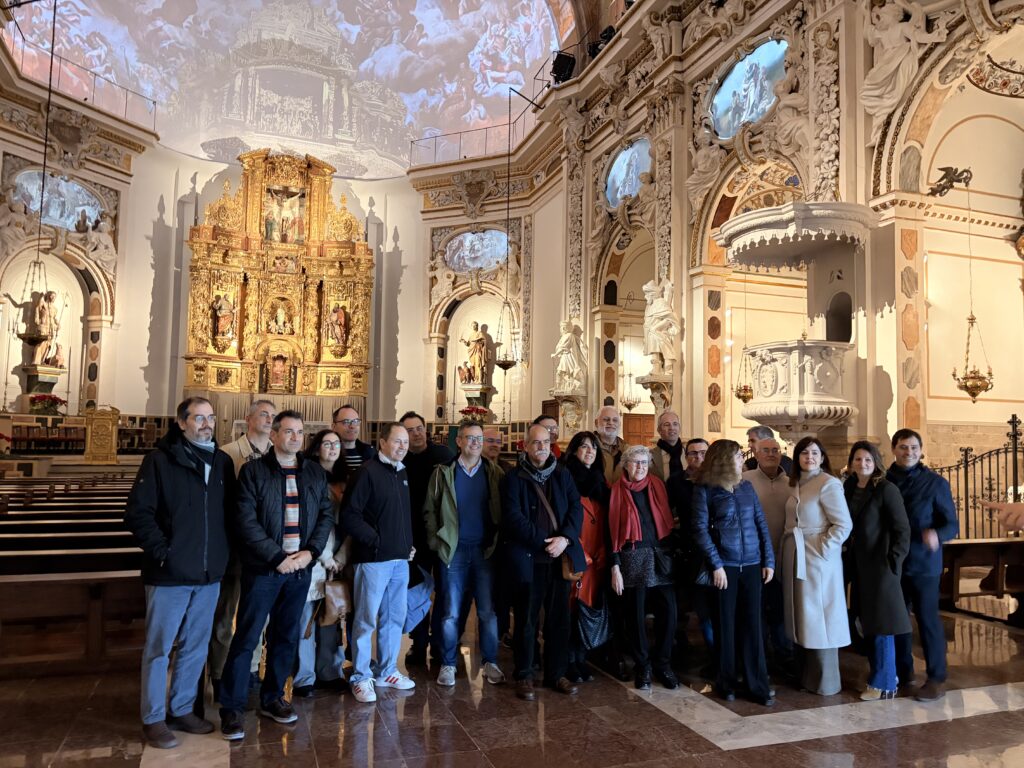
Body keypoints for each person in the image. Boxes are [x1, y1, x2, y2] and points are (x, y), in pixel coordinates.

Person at [125, 397, 234, 749]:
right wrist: (163, 553)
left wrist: (221, 556)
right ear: (181, 422)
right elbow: (139, 513)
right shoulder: (159, 460)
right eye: (198, 418)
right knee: (159, 649)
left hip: (208, 573)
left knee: (196, 646)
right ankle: (154, 717)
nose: (206, 424)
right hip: (169, 573)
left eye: (210, 418)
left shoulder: (221, 462)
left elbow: (228, 515)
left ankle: (183, 708)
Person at [218, 411, 335, 740]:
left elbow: (324, 515)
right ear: (274, 436)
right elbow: (245, 520)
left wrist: (310, 552)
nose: (296, 437)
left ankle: (272, 698)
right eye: (288, 431)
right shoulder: (254, 472)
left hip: (299, 570)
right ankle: (232, 707)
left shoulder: (312, 472)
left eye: (300, 432)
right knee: (247, 637)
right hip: (265, 570)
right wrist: (276, 557)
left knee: (286, 637)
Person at [502, 424, 586, 700]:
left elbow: (576, 509)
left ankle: (556, 673)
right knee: (526, 620)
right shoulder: (514, 478)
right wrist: (543, 542)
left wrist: (565, 539)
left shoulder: (563, 475)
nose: (541, 448)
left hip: (559, 558)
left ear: (551, 446)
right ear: (525, 446)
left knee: (558, 620)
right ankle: (525, 674)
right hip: (529, 559)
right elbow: (513, 517)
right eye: (535, 443)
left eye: (545, 443)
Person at [692, 440, 775, 705]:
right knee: (725, 626)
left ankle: (757, 685)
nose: (743, 459)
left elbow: (760, 524)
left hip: (752, 565)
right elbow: (700, 530)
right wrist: (716, 564)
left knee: (753, 627)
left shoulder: (747, 487)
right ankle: (726, 682)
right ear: (725, 460)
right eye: (739, 456)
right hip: (724, 568)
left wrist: (768, 560)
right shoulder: (705, 490)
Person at [424, 419, 505, 687]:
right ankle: (447, 664)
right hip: (454, 551)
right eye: (470, 438)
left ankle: (490, 662)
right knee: (450, 611)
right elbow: (430, 511)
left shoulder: (494, 473)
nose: (475, 443)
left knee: (487, 611)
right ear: (458, 441)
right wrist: (437, 542)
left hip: (484, 551)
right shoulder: (443, 472)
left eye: (479, 439)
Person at [340, 422, 417, 703]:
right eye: (397, 441)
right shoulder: (367, 472)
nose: (402, 447)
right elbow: (350, 515)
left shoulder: (402, 473)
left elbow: (400, 516)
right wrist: (377, 541)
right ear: (382, 442)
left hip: (399, 561)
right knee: (365, 620)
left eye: (405, 443)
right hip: (372, 561)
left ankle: (387, 670)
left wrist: (406, 543)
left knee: (394, 618)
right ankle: (361, 676)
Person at [211, 400, 276, 701]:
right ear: (248, 418)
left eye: (273, 415)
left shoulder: (278, 455)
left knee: (257, 616)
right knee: (227, 614)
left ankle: (250, 673)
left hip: (265, 551)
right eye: (263, 413)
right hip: (235, 549)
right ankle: (221, 675)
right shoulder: (227, 453)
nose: (269, 419)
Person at [887, 428, 958, 701]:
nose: (909, 452)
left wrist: (936, 534)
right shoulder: (884, 480)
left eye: (914, 447)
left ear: (921, 450)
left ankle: (936, 678)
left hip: (924, 563)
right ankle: (904, 673)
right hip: (893, 562)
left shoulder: (935, 483)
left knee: (928, 621)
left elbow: (952, 524)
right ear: (894, 449)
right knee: (898, 621)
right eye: (904, 447)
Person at [781, 436, 852, 696]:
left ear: (822, 457)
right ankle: (807, 676)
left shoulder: (829, 484)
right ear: (797, 457)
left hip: (818, 561)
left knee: (821, 617)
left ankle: (826, 681)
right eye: (804, 453)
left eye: (814, 453)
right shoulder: (796, 483)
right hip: (797, 557)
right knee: (803, 616)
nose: (809, 457)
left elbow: (843, 524)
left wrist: (822, 549)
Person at [843, 441, 911, 701]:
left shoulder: (886, 489)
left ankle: (884, 684)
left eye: (868, 460)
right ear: (851, 463)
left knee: (882, 624)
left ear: (876, 462)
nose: (863, 465)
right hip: (858, 566)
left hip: (881, 567)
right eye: (858, 460)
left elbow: (902, 530)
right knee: (866, 623)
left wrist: (894, 562)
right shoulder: (848, 487)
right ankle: (885, 674)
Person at [609, 445, 678, 690]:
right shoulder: (616, 491)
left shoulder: (658, 486)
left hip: (661, 557)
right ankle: (643, 666)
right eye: (635, 462)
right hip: (632, 559)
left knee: (669, 614)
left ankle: (663, 663)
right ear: (625, 465)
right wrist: (614, 566)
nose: (640, 467)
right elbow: (612, 532)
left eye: (645, 462)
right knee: (635, 618)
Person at [292, 430, 348, 697]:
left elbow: (349, 523)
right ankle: (304, 676)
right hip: (312, 555)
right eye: (327, 443)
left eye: (336, 444)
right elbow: (312, 520)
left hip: (339, 560)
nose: (333, 448)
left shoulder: (346, 480)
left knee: (333, 616)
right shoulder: (305, 476)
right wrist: (324, 556)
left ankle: (330, 671)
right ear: (315, 448)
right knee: (307, 618)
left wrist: (341, 557)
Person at [400, 411, 455, 665]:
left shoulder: (443, 456)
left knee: (444, 591)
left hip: (442, 536)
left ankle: (439, 643)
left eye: (419, 428)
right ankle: (418, 642)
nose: (416, 433)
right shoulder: (401, 460)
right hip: (413, 540)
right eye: (410, 430)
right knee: (418, 592)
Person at [743, 437, 793, 670]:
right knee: (757, 609)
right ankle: (759, 657)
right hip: (755, 558)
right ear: (756, 454)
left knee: (781, 611)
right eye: (766, 450)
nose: (772, 454)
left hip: (785, 557)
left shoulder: (792, 482)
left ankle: (784, 656)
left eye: (775, 450)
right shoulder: (745, 481)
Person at [564, 431, 609, 684]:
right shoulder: (566, 478)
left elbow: (605, 520)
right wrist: (581, 553)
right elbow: (564, 521)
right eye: (583, 447)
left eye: (593, 447)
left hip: (597, 556)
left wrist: (602, 550)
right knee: (571, 610)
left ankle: (582, 659)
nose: (589, 451)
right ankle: (569, 660)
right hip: (577, 557)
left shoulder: (599, 482)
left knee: (587, 610)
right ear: (574, 451)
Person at [666, 438, 714, 655]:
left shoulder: (716, 480)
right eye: (693, 453)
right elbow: (668, 511)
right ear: (686, 457)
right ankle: (682, 643)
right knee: (686, 601)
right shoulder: (676, 481)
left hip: (714, 549)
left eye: (703, 453)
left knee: (710, 605)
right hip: (686, 548)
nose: (698, 457)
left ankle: (715, 651)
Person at [332, 404, 375, 472]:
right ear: (334, 426)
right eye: (346, 422)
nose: (352, 426)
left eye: (356, 421)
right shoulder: (328, 452)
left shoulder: (370, 452)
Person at [594, 405, 627, 483]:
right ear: (596, 423)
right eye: (606, 419)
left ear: (619, 424)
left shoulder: (627, 449)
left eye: (615, 420)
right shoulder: (588, 447)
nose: (611, 423)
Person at [649, 411, 683, 481]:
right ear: (659, 430)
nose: (671, 428)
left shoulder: (688, 453)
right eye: (667, 425)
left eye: (675, 424)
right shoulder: (649, 455)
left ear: (679, 428)